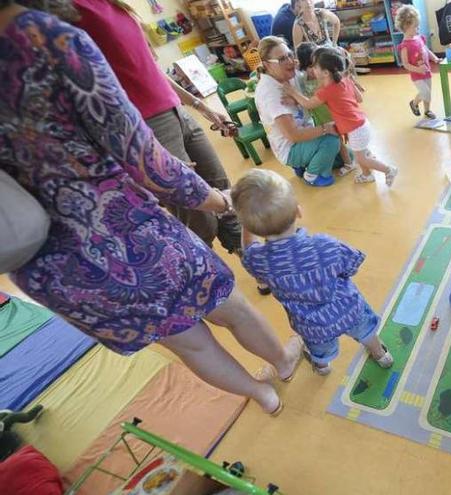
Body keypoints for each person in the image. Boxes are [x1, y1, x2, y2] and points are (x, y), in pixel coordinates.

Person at [0, 1, 301, 416]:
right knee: (226, 304)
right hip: (125, 228)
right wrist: (221, 199)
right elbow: (146, 161)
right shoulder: (44, 38)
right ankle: (283, 363)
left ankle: (260, 394)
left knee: (189, 342)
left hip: (53, 264)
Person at [71, 0, 244, 256]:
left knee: (223, 190)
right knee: (198, 215)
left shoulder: (114, 5)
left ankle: (252, 261)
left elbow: (150, 69)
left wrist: (201, 106)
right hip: (147, 126)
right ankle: (209, 279)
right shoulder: (69, 12)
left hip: (177, 112)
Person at [231, 169, 394, 375]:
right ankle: (381, 355)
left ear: (249, 226)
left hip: (312, 326)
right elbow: (352, 264)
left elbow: (249, 250)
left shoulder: (259, 260)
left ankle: (322, 367)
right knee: (366, 331)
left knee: (320, 350)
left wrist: (247, 227)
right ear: (298, 211)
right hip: (349, 309)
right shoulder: (324, 245)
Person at [286, 50, 398, 186]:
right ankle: (367, 175)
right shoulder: (344, 81)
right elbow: (359, 98)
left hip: (356, 129)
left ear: (326, 73)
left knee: (361, 159)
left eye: (315, 67)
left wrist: (292, 92)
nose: (313, 69)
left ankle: (388, 170)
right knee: (360, 155)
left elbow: (308, 104)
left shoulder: (326, 91)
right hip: (361, 123)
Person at [254, 36, 354, 187]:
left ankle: (303, 164)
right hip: (291, 147)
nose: (289, 61)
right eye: (281, 59)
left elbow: (316, 76)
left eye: (289, 55)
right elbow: (293, 135)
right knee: (332, 141)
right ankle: (312, 175)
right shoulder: (270, 93)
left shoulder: (290, 74)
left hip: (306, 133)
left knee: (347, 155)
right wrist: (326, 128)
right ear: (267, 64)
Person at [395, 5, 439, 119]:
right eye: (415, 27)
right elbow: (405, 64)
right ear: (405, 26)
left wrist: (434, 58)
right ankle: (414, 103)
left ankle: (427, 110)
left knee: (428, 92)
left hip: (427, 71)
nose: (418, 29)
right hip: (417, 75)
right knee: (425, 93)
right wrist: (418, 69)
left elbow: (426, 50)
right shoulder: (404, 46)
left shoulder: (419, 38)